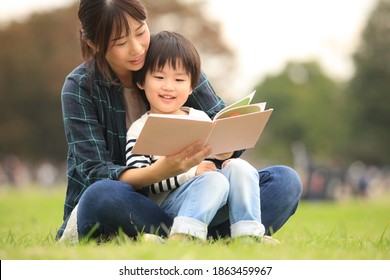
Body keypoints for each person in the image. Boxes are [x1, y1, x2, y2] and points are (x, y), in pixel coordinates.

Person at [57, 0, 302, 243]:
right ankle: (208, 238)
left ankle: (193, 234)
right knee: (102, 195)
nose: (137, 49)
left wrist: (227, 146)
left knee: (285, 182)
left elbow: (221, 123)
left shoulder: (173, 61)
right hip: (133, 204)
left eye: (141, 32)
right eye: (120, 42)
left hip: (196, 196)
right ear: (94, 43)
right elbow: (96, 173)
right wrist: (161, 171)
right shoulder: (79, 87)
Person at [125, 31, 267, 242]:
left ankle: (248, 236)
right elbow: (141, 182)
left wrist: (222, 153)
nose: (168, 86)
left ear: (192, 86)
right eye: (159, 77)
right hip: (168, 207)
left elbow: (210, 166)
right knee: (212, 180)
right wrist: (191, 173)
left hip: (210, 200)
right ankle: (185, 235)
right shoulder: (139, 128)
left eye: (179, 79)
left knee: (239, 167)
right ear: (141, 81)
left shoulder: (200, 118)